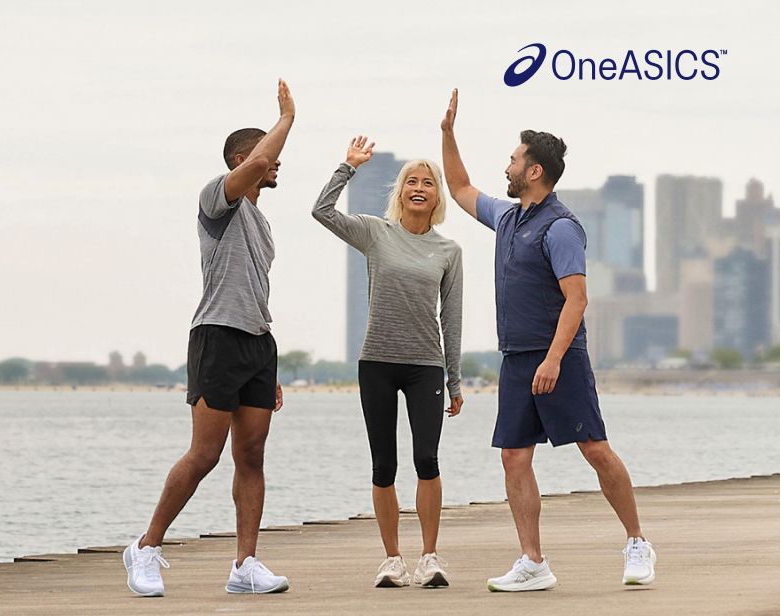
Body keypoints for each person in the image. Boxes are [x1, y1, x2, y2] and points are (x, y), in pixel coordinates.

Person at [439, 88, 657, 592]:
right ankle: (533, 561)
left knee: (595, 449)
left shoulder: (561, 228)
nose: (509, 165)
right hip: (517, 358)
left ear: (534, 171)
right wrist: (448, 134)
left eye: (515, 159)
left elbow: (576, 301)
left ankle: (637, 542)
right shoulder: (508, 217)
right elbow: (460, 186)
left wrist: (555, 359)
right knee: (514, 456)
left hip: (559, 357)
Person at [122, 80, 295, 597]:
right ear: (243, 159)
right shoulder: (215, 201)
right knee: (205, 455)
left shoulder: (262, 224)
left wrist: (272, 364)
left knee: (252, 455)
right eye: (265, 153)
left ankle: (244, 565)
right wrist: (286, 119)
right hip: (216, 337)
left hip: (257, 344)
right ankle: (146, 547)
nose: (275, 163)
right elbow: (261, 164)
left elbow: (255, 292)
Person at [311, 136, 463, 588]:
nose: (419, 187)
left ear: (437, 196)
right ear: (399, 192)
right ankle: (393, 559)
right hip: (377, 361)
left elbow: (451, 318)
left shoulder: (448, 251)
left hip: (425, 366)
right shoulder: (376, 232)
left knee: (427, 459)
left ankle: (430, 557)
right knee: (383, 465)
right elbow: (322, 211)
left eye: (428, 183)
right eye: (411, 181)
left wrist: (454, 381)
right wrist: (347, 167)